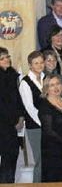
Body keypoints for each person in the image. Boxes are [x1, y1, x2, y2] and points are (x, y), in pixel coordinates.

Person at [19, 51, 45, 182]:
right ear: (30, 65)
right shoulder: (25, 83)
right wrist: (43, 123)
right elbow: (29, 108)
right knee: (40, 160)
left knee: (49, 159)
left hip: (49, 126)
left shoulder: (46, 78)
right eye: (36, 63)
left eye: (41, 62)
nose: (40, 65)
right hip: (35, 127)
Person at [0, 48, 22, 183]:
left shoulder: (11, 75)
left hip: (11, 123)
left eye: (7, 56)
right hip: (3, 123)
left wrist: (20, 116)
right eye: (2, 58)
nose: (7, 59)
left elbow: (17, 99)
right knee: (8, 156)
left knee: (12, 156)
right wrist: (13, 121)